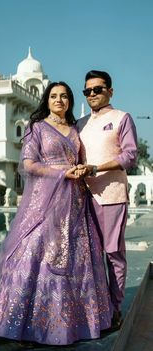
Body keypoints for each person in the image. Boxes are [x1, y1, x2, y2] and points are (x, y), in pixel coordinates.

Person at [0, 81, 112, 345]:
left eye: (64, 96)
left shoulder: (75, 129)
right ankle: (22, 323)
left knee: (79, 257)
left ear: (69, 101)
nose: (59, 100)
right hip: (46, 199)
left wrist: (76, 169)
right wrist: (60, 172)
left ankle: (76, 324)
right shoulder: (37, 128)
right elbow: (29, 164)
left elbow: (79, 159)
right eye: (54, 96)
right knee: (33, 252)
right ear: (47, 99)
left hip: (75, 200)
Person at [76, 70, 138, 330]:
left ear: (110, 91)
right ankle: (94, 309)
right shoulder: (79, 124)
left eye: (97, 89)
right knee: (89, 257)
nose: (92, 94)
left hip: (111, 195)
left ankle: (114, 310)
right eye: (87, 91)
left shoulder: (121, 118)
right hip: (82, 198)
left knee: (113, 254)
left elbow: (130, 156)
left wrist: (96, 168)